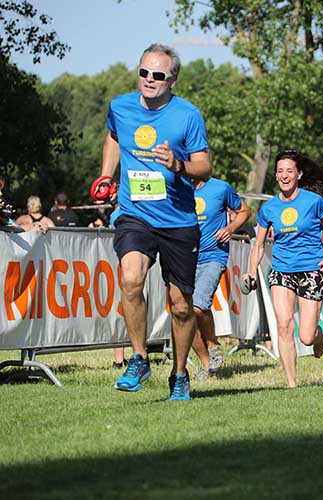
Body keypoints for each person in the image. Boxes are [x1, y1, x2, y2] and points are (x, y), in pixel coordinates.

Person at [101, 43, 212, 400]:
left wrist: (178, 165)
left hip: (178, 220)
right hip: (135, 213)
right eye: (144, 72)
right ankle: (139, 358)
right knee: (130, 278)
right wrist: (106, 175)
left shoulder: (188, 115)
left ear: (172, 80)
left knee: (180, 305)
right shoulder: (120, 106)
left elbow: (205, 167)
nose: (149, 79)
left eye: (158, 75)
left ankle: (179, 374)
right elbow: (114, 137)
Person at [244, 150, 323, 388]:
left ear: (299, 174)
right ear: (276, 176)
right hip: (281, 270)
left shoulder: (313, 202)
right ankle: (291, 384)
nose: (284, 175)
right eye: (280, 171)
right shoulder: (269, 208)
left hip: (311, 270)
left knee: (306, 336)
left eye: (289, 171)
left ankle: (317, 335)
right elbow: (259, 244)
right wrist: (251, 270)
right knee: (284, 325)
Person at [191, 177, 250, 379]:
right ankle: (207, 365)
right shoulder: (175, 186)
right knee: (183, 315)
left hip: (213, 256)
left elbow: (244, 211)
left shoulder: (220, 188)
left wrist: (230, 229)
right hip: (183, 257)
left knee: (197, 306)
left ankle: (212, 343)